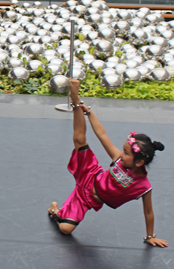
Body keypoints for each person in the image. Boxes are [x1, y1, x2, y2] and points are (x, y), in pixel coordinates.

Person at [48, 79, 168, 248]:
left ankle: (56, 211)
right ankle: (75, 100)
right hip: (90, 175)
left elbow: (148, 212)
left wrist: (150, 236)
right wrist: (88, 113)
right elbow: (102, 135)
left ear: (140, 162)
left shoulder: (143, 187)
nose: (121, 153)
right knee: (79, 140)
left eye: (126, 152)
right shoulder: (120, 159)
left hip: (86, 199)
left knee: (66, 229)